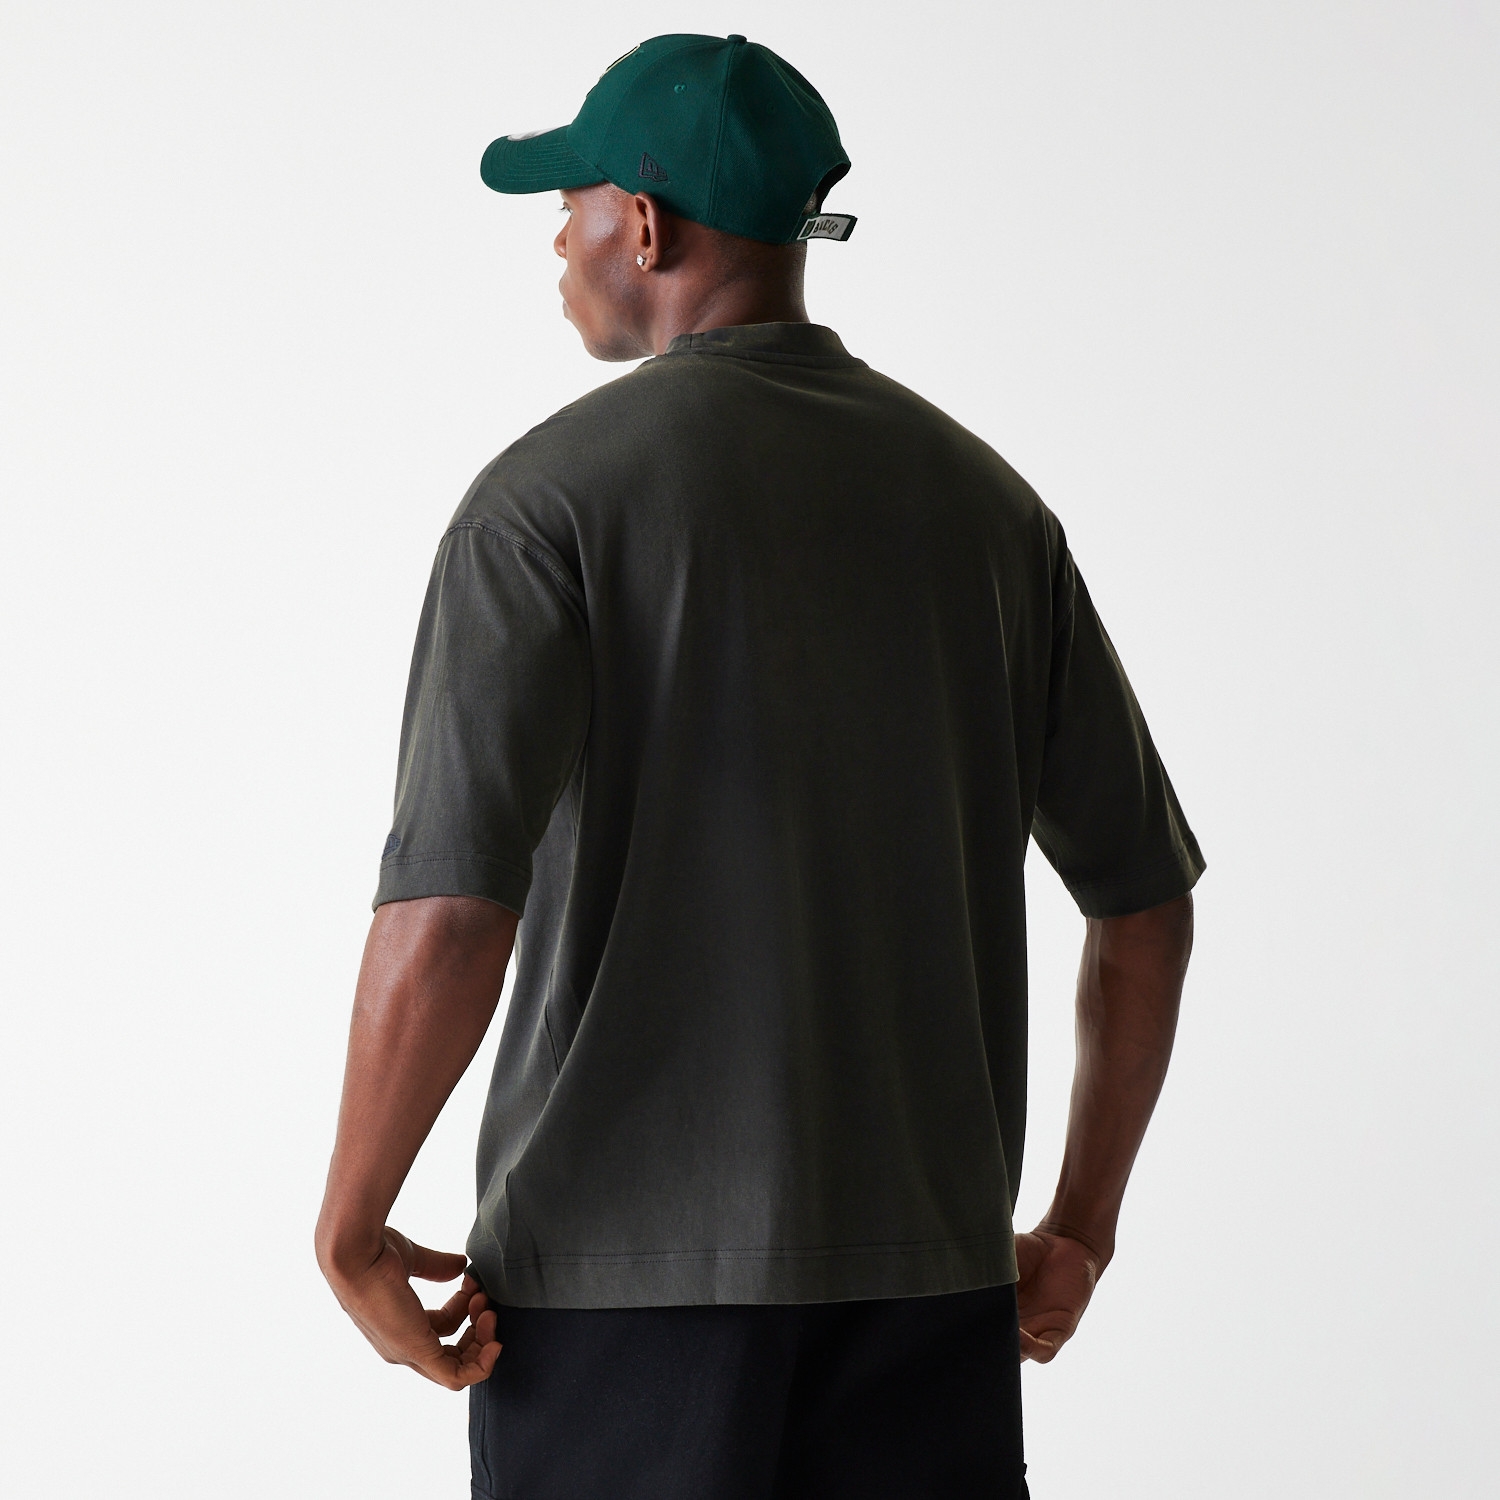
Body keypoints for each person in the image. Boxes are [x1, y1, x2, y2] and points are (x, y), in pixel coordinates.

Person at [315, 32, 1203, 1500]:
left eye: (570, 203)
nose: (557, 240)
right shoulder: (989, 513)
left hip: (620, 1311)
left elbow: (453, 912)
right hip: (930, 1300)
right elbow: (1146, 903)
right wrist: (1079, 1228)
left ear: (645, 225)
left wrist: (352, 1221)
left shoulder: (542, 508)